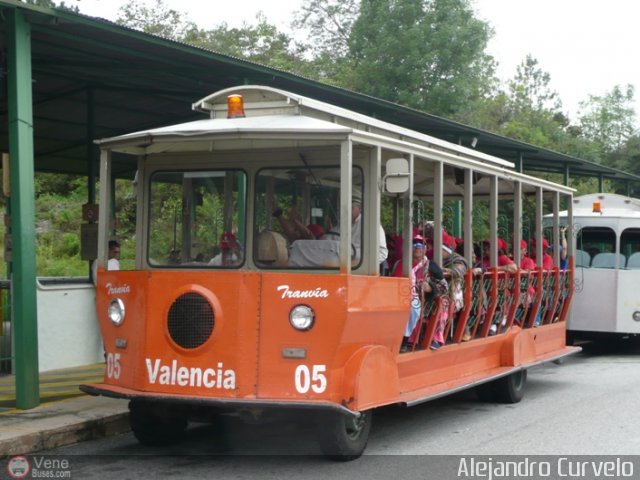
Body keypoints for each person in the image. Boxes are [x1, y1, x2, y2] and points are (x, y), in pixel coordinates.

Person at [394, 235, 446, 352]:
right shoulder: (399, 263)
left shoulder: (431, 266)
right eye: (414, 244)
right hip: (396, 295)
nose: (417, 248)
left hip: (420, 299)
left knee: (413, 306)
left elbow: (444, 287)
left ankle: (404, 339)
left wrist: (430, 288)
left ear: (426, 248)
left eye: (420, 245)